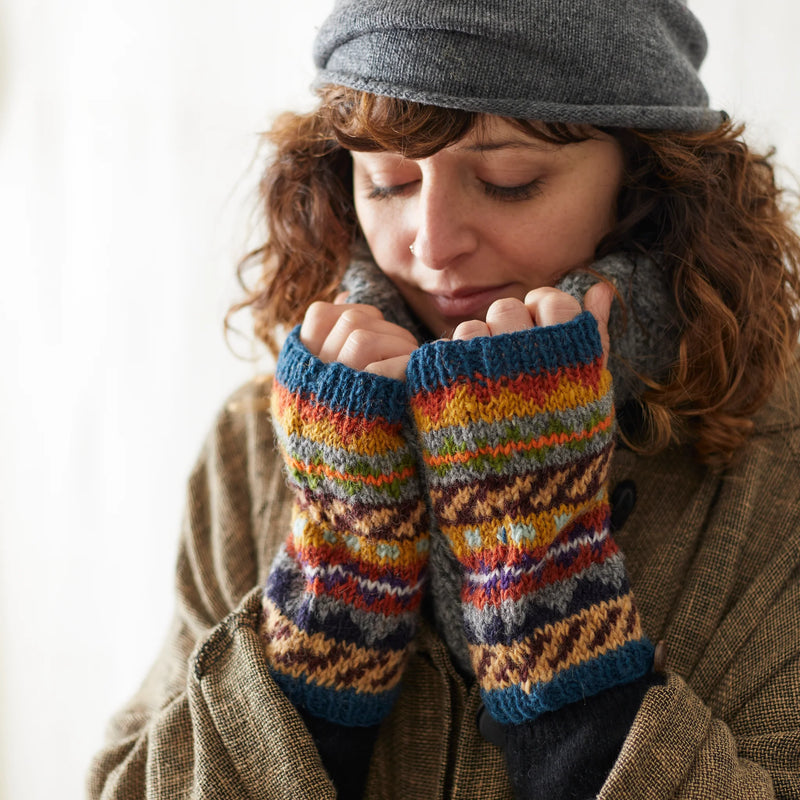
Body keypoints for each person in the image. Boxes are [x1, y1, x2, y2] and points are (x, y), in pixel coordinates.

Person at [88, 1, 800, 798]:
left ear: (645, 180)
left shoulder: (779, 464)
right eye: (388, 180)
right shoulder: (263, 441)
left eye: (508, 183)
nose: (431, 245)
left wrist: (548, 598)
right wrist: (335, 587)